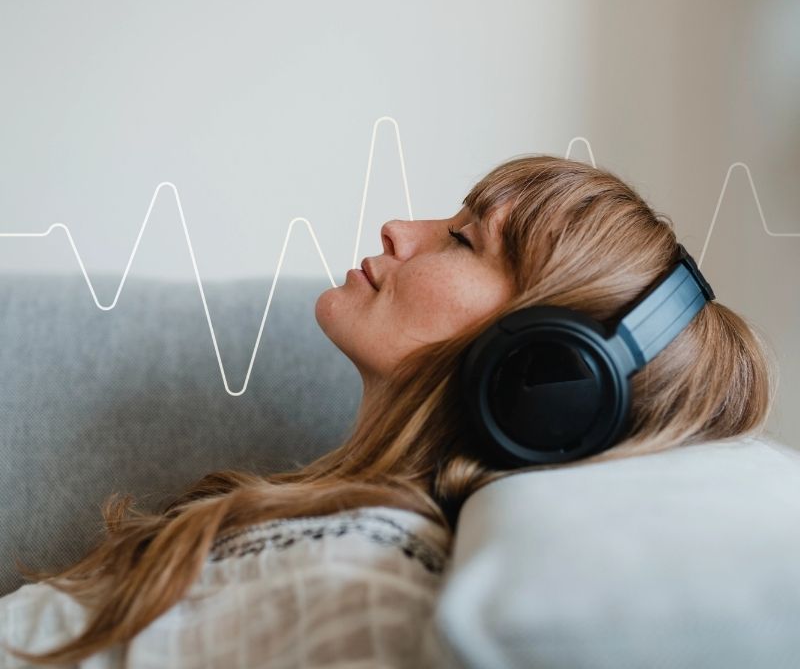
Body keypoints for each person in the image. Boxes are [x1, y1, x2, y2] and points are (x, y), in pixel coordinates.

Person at [0, 155, 774, 667]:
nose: (400, 227)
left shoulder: (375, 584)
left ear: (545, 370)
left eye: (466, 239)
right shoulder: (330, 530)